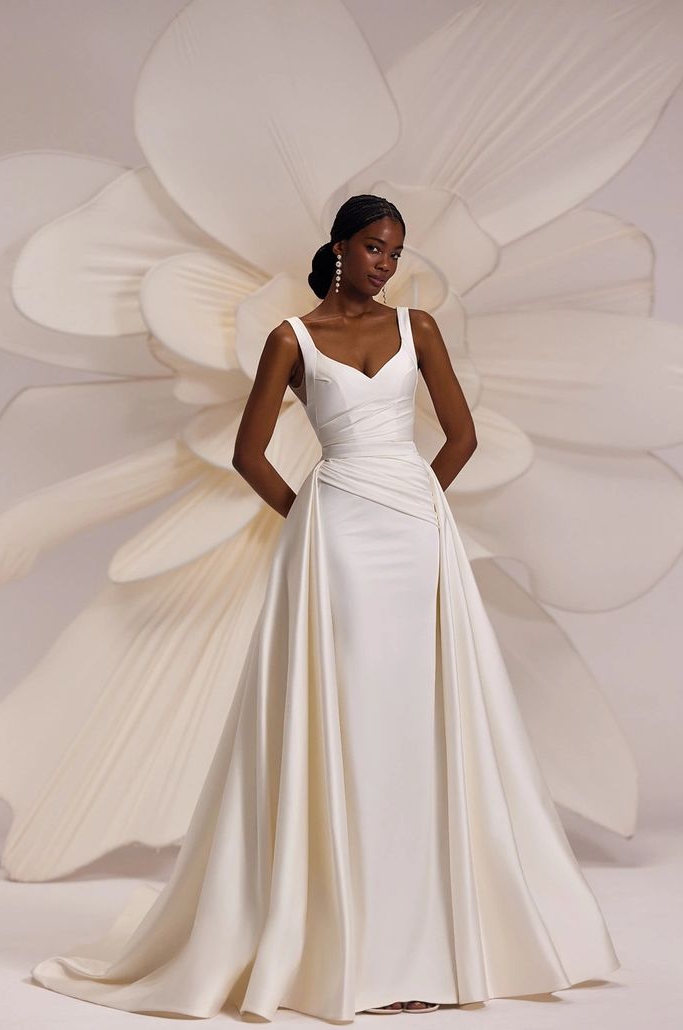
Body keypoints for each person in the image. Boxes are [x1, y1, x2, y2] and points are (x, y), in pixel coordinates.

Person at [30, 194, 620, 1021]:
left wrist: (418, 498)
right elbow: (248, 452)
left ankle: (425, 947)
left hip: (416, 540)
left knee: (419, 721)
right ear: (340, 247)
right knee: (350, 719)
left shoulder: (420, 329)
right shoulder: (291, 339)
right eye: (376, 248)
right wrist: (308, 513)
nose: (387, 264)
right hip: (337, 537)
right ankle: (349, 948)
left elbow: (460, 436)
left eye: (395, 253)